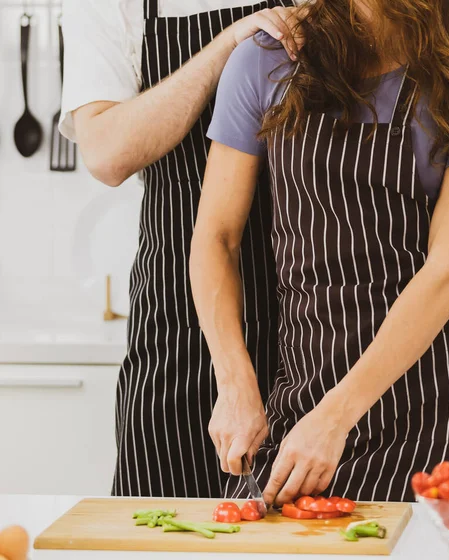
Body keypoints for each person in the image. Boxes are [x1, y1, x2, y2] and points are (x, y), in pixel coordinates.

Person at [190, 0, 449, 504]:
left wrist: (335, 417)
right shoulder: (267, 60)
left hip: (446, 424)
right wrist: (234, 383)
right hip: (304, 406)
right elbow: (216, 236)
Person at [59, 0, 303, 498]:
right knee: (161, 528)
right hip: (179, 327)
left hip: (314, 321)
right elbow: (107, 153)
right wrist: (228, 47)